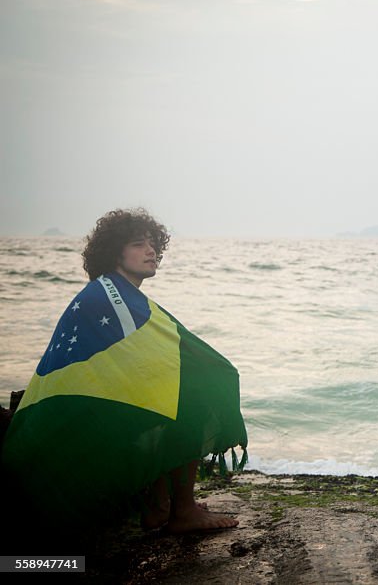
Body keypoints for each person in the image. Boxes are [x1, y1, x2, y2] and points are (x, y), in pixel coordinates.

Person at [2, 208, 247, 534]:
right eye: (138, 244)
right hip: (86, 422)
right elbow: (169, 358)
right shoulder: (112, 296)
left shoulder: (112, 291)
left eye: (153, 245)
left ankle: (159, 507)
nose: (151, 252)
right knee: (199, 385)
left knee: (163, 391)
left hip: (87, 414)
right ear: (114, 252)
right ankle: (183, 511)